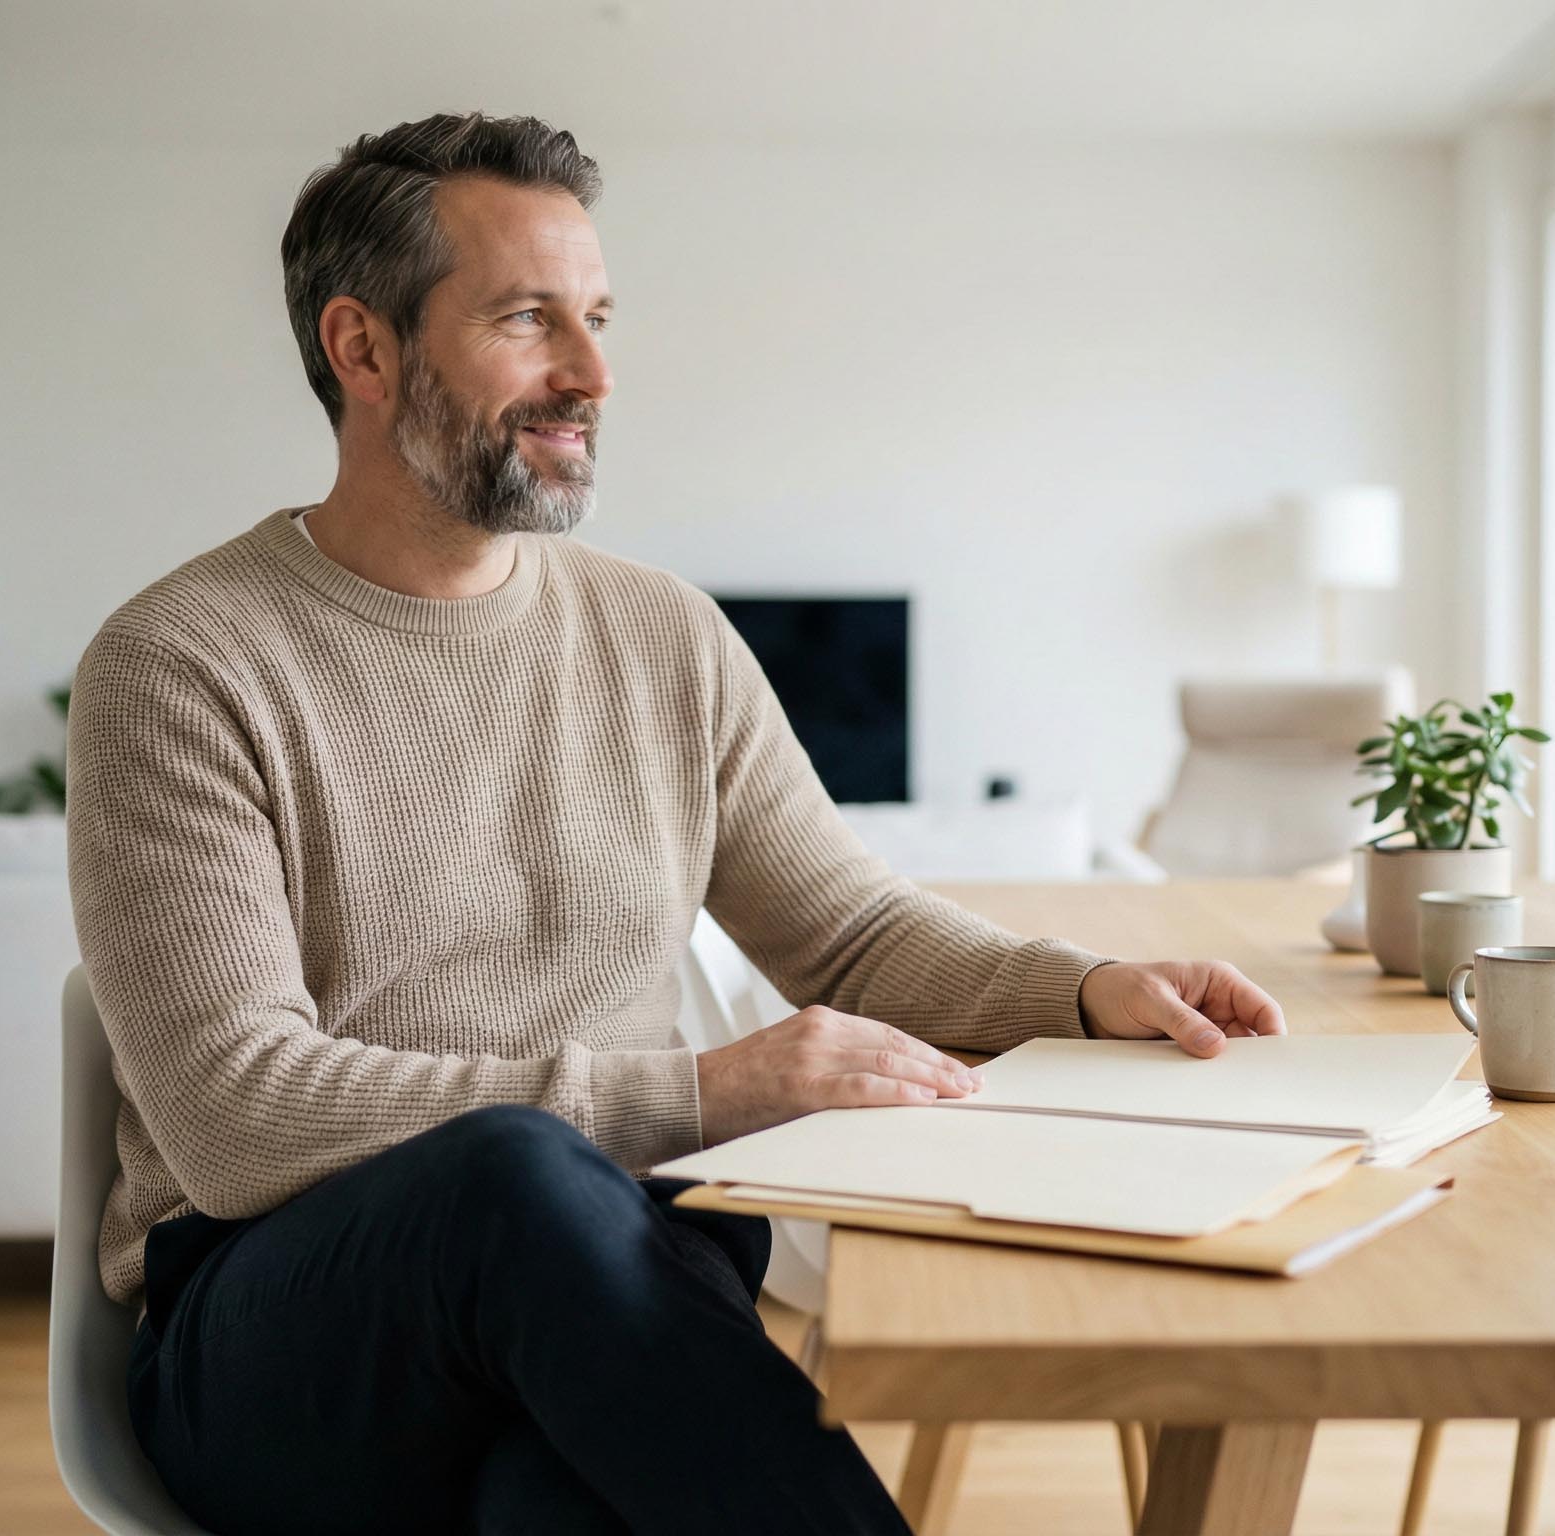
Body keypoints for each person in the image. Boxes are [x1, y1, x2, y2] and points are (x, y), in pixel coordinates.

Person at [64, 111, 1287, 1536]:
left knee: (558, 1502)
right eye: (529, 320)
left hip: (610, 1295)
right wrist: (703, 1095)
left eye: (594, 318)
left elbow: (850, 928)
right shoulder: (181, 663)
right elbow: (234, 1116)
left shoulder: (662, 637)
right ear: (364, 348)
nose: (591, 374)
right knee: (518, 1180)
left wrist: (1077, 990)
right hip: (291, 1336)